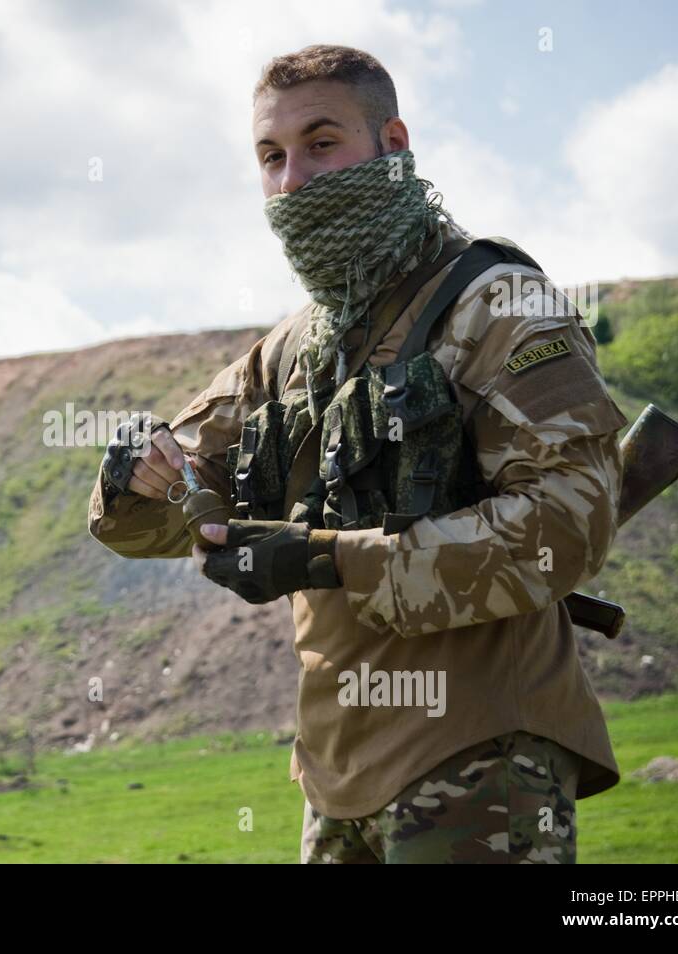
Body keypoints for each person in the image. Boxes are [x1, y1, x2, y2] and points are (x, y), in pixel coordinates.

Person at [87, 44, 628, 864]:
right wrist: (139, 476)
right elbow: (151, 520)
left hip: (482, 753)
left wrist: (329, 560)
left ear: (393, 142)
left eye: (322, 142)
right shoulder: (295, 347)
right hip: (337, 776)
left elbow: (569, 526)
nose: (292, 180)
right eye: (271, 156)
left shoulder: (495, 305)